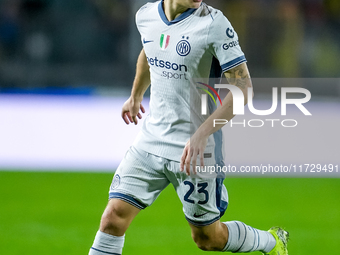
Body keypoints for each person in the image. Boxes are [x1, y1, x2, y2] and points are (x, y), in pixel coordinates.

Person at [89, 0, 289, 254]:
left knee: (207, 239)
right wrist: (136, 94)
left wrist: (202, 133)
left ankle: (271, 242)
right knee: (113, 218)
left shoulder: (214, 25)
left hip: (196, 151)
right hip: (150, 142)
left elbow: (243, 88)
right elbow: (149, 51)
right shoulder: (147, 16)